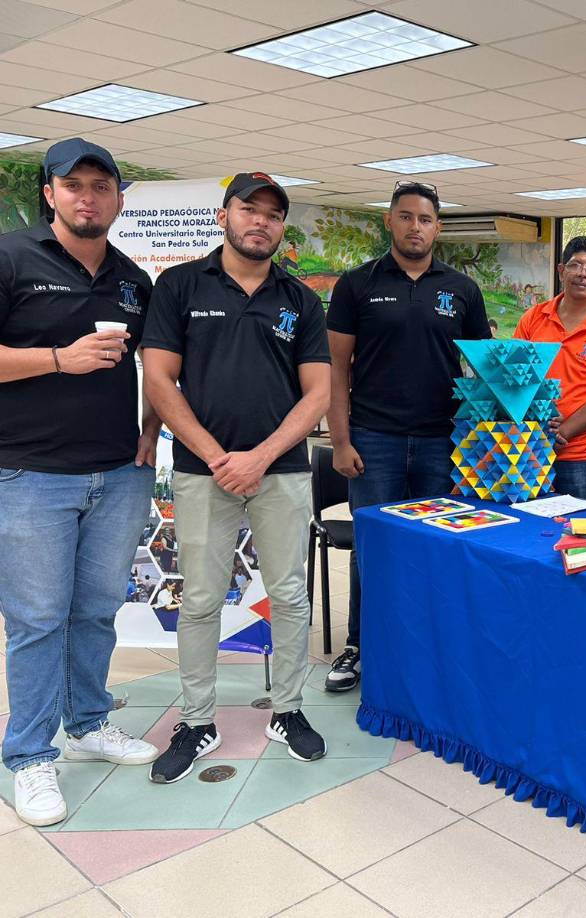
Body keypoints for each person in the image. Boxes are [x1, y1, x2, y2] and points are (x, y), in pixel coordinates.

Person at [143, 172, 332, 782]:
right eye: (249, 209)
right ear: (223, 216)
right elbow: (160, 380)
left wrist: (259, 457)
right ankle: (197, 720)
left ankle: (289, 710)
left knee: (290, 596)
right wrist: (220, 456)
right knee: (199, 599)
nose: (261, 222)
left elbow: (318, 395)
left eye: (274, 215)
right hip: (202, 472)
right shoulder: (179, 285)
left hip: (281, 473)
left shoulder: (300, 299)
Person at [0, 138, 161, 826]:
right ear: (50, 194)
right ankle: (30, 756)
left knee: (95, 610)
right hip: (31, 473)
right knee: (36, 620)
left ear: (119, 198)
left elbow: (155, 366)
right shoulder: (11, 257)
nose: (88, 197)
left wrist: (151, 431)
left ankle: (89, 722)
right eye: (74, 186)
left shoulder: (133, 279)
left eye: (101, 186)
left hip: (118, 474)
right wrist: (60, 359)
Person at [324, 180, 488, 693]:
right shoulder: (357, 284)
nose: (415, 227)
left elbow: (483, 372)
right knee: (374, 548)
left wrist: (488, 441)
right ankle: (361, 645)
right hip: (374, 441)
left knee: (434, 547)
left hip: (444, 443)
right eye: (406, 217)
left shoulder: (462, 290)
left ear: (438, 227)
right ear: (389, 222)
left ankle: (426, 647)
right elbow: (335, 366)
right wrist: (341, 440)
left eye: (425, 219)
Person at [513, 236, 586, 502]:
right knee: (526, 529)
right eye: (575, 264)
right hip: (529, 447)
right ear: (560, 270)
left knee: (577, 534)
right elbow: (516, 377)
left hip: (584, 455)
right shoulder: (533, 319)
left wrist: (562, 432)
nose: (582, 273)